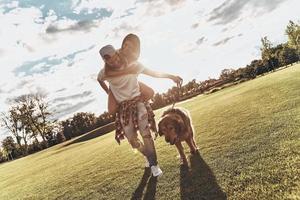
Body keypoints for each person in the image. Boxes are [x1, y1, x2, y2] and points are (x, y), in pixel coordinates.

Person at [97, 40, 182, 177]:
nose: (114, 62)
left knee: (146, 134)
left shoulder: (133, 65)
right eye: (110, 61)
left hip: (138, 103)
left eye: (115, 58)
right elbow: (99, 80)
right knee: (132, 140)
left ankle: (154, 165)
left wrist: (171, 76)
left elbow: (153, 73)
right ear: (105, 62)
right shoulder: (105, 73)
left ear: (117, 54)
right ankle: (148, 157)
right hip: (123, 109)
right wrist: (109, 92)